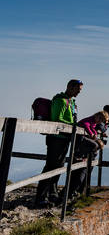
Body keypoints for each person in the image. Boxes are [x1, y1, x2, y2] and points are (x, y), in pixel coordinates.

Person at [34, 79, 82, 207]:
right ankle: (41, 197)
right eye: (77, 89)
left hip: (64, 138)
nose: (78, 92)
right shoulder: (60, 101)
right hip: (56, 138)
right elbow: (57, 119)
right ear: (70, 87)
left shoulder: (71, 102)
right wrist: (72, 125)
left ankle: (52, 193)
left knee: (59, 166)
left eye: (80, 90)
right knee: (51, 166)